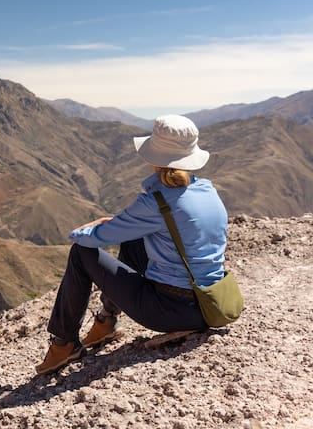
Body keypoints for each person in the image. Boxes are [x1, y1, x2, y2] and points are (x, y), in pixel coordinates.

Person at [35, 114, 228, 375]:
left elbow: (94, 239)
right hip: (208, 304)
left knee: (81, 253)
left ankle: (64, 343)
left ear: (154, 158)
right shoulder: (207, 190)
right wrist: (120, 224)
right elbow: (173, 226)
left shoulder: (155, 203)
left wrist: (80, 231)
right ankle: (105, 323)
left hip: (169, 310)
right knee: (136, 238)